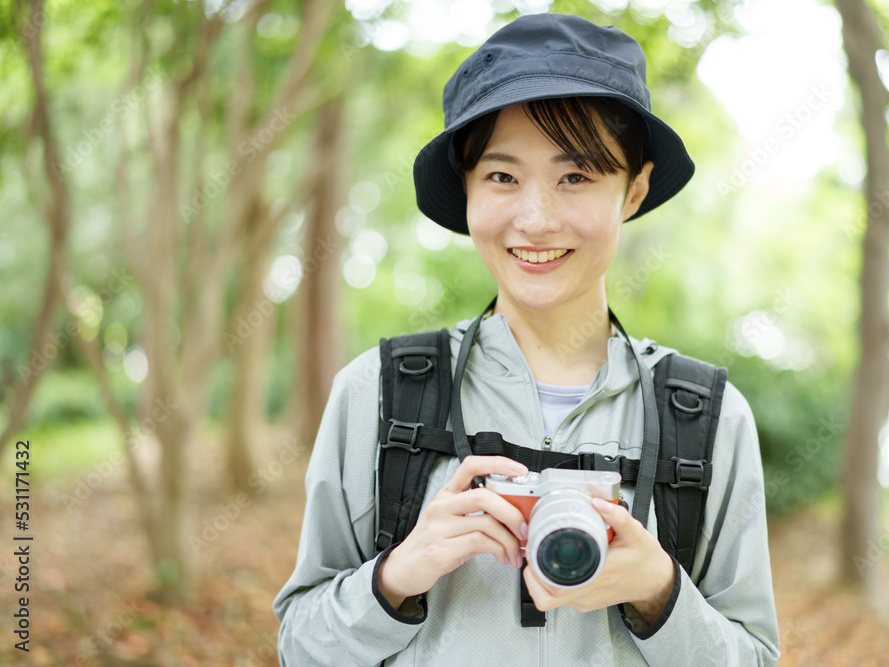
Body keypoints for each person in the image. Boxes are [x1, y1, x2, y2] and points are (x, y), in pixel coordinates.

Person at [274, 12, 780, 666]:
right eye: (502, 176)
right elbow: (299, 646)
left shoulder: (708, 420)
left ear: (636, 188)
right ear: (467, 189)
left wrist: (660, 592)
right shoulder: (377, 394)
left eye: (576, 176)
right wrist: (397, 575)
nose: (535, 220)